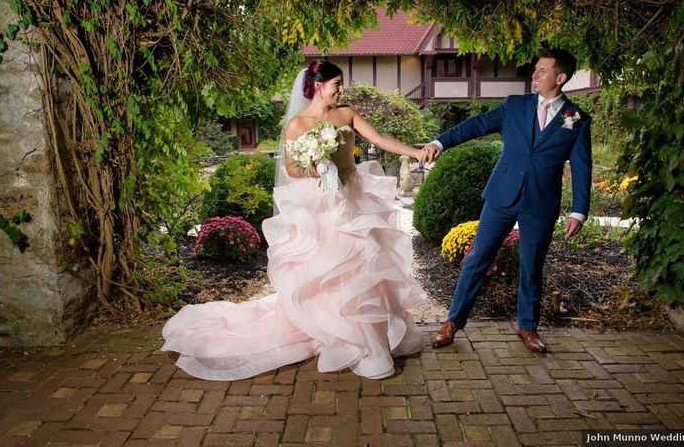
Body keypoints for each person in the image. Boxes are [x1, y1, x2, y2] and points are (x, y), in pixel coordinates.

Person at [161, 59, 428, 380]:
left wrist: (414, 152)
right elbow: (291, 168)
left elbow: (380, 139)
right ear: (318, 87)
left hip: (353, 198)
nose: (341, 90)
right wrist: (318, 168)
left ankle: (371, 333)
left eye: (341, 84)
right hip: (322, 205)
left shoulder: (346, 114)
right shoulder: (297, 125)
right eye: (336, 85)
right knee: (332, 269)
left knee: (365, 264)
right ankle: (348, 337)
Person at [421, 48, 593, 353]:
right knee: (477, 259)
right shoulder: (515, 106)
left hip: (541, 202)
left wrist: (579, 210)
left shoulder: (576, 119)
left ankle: (528, 327)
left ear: (560, 77)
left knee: (531, 266)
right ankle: (452, 323)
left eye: (542, 70)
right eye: (535, 70)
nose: (535, 75)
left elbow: (582, 166)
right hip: (502, 194)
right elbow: (476, 125)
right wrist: (440, 141)